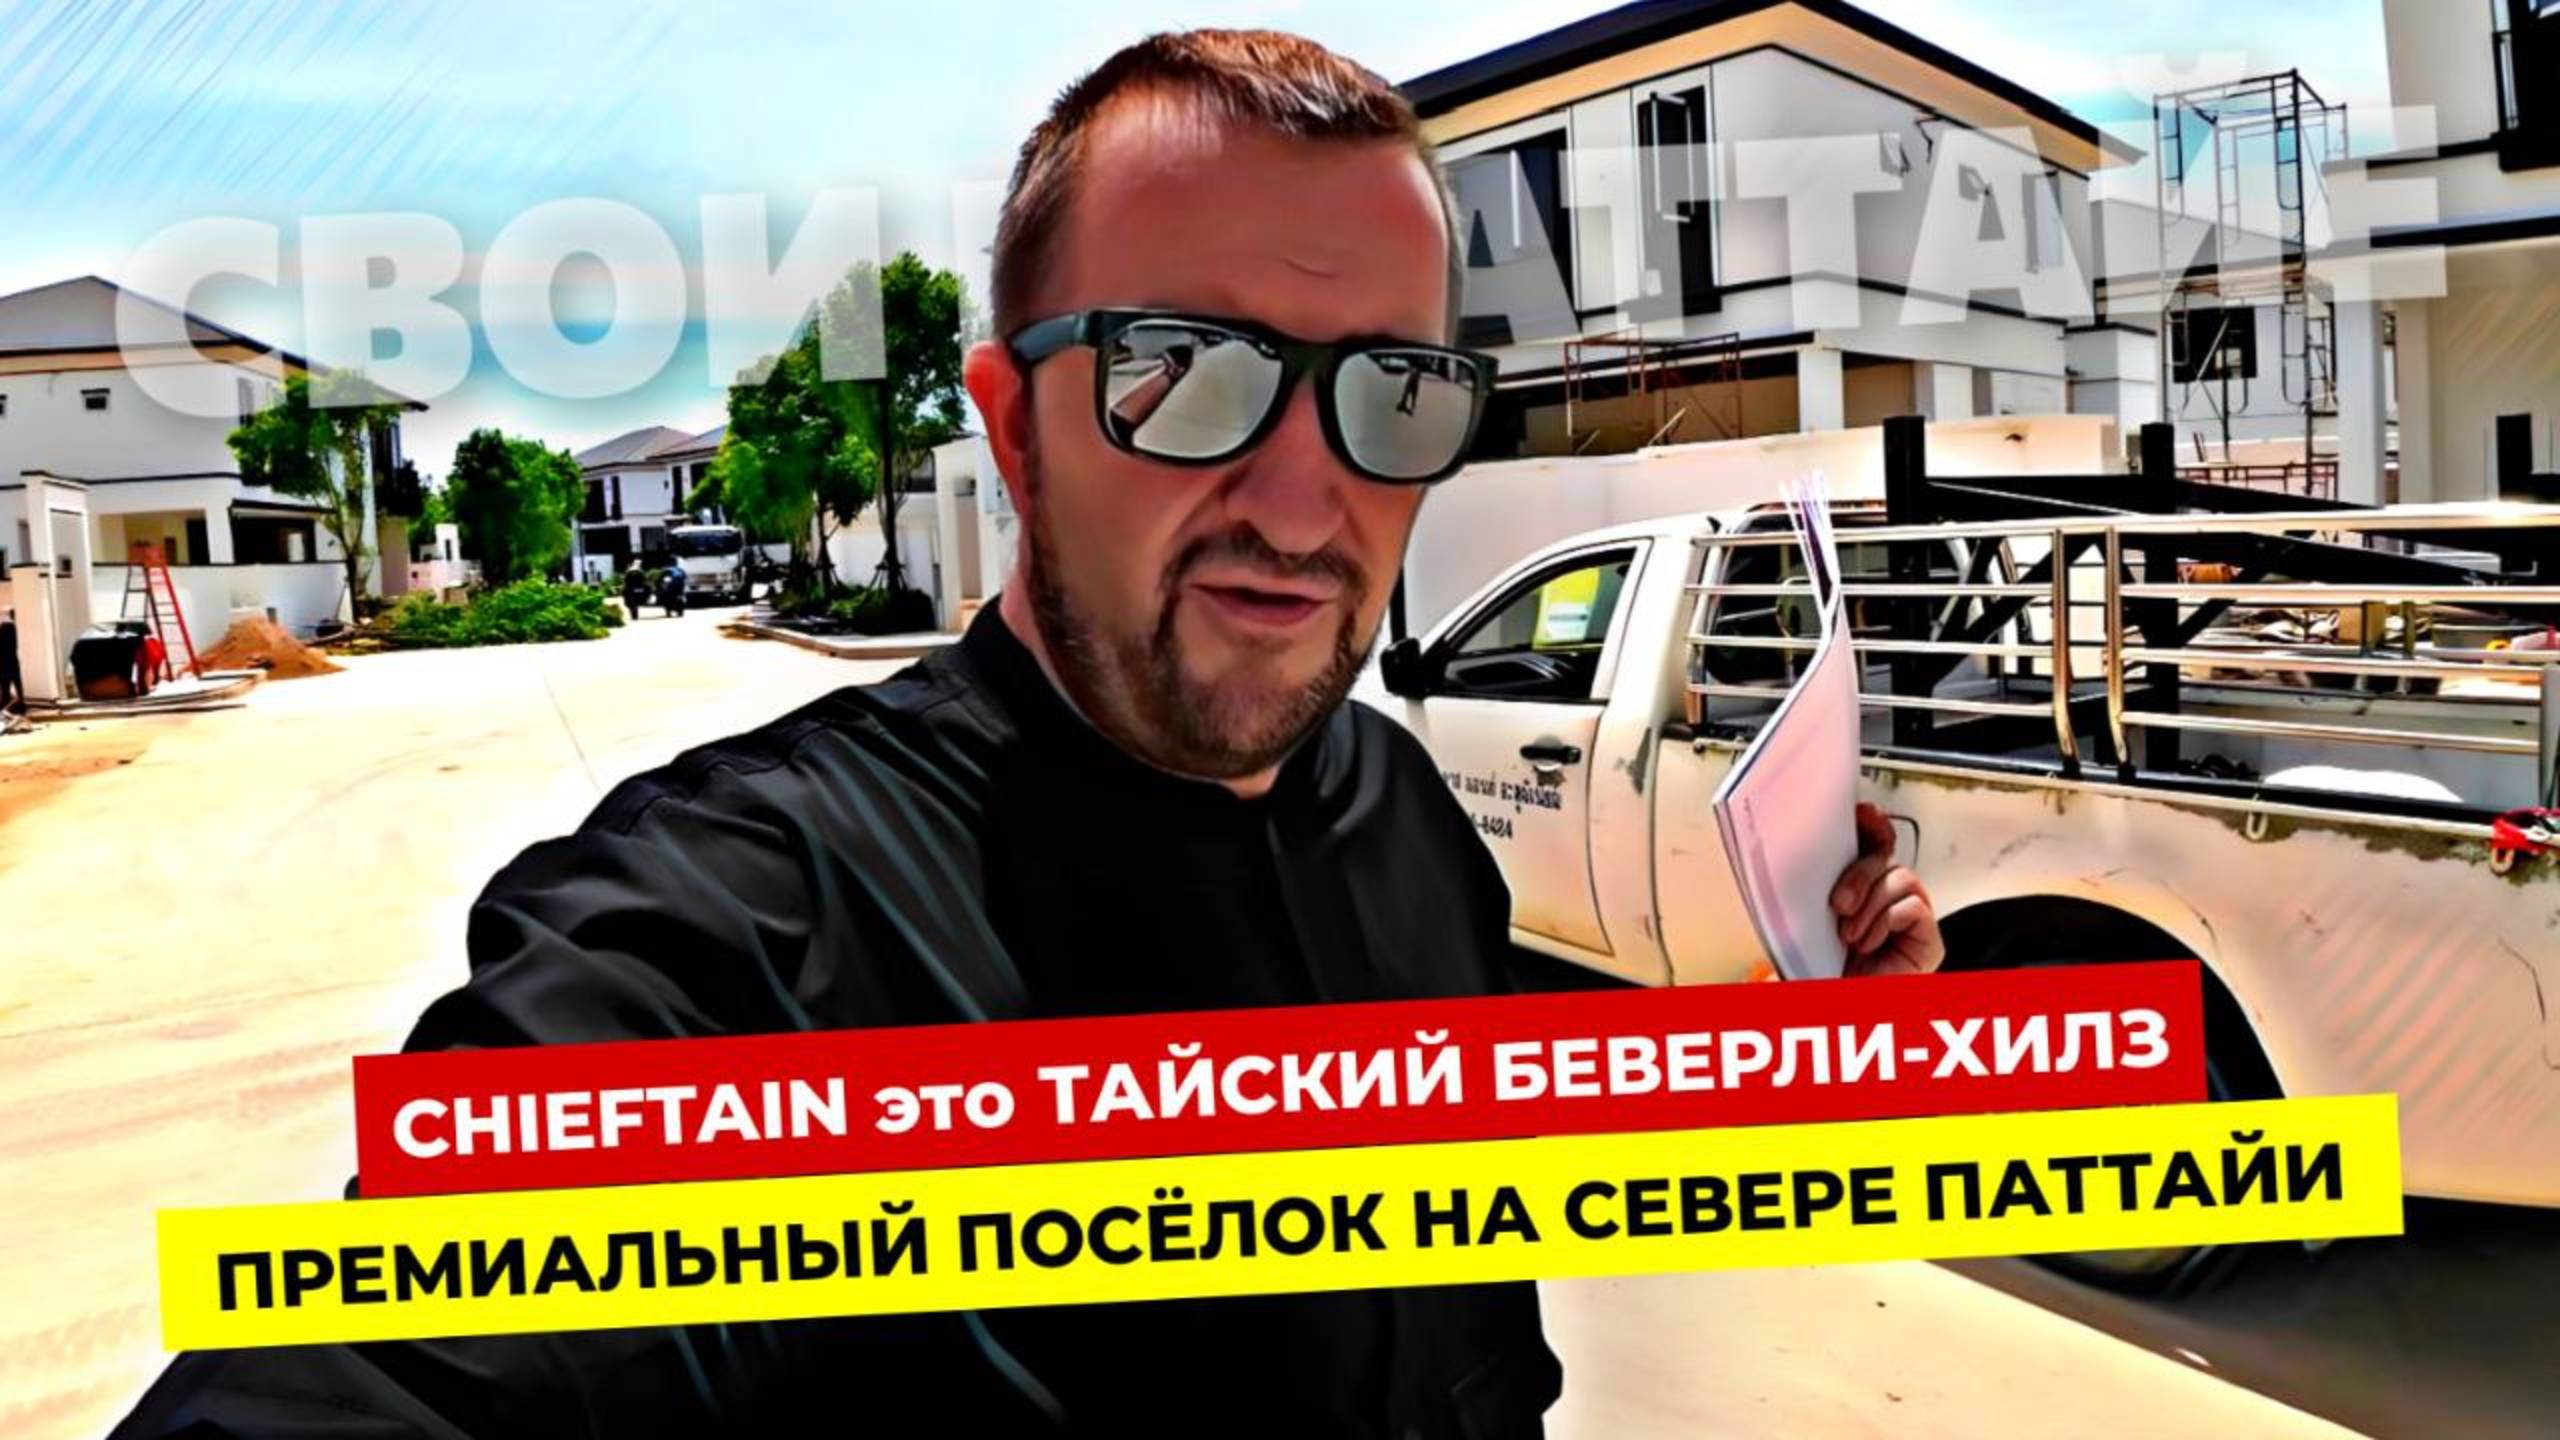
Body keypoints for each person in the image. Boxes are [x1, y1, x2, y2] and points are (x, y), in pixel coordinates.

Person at [117, 28, 1941, 1438]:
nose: (1301, 498)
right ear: (1010, 428)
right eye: (1185, 374)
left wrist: (1793, 1030)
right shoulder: (750, 930)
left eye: (1393, 392)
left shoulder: (1395, 803)